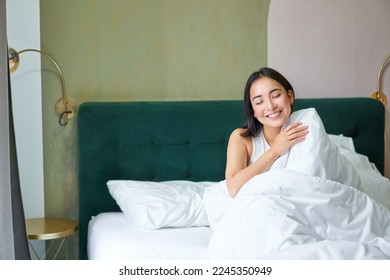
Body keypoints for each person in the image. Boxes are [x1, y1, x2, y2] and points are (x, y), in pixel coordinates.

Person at [225, 67, 309, 197]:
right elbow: (233, 189)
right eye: (259, 102)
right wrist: (275, 151)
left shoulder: (305, 129)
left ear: (290, 96)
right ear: (253, 110)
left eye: (275, 96)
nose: (270, 106)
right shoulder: (241, 138)